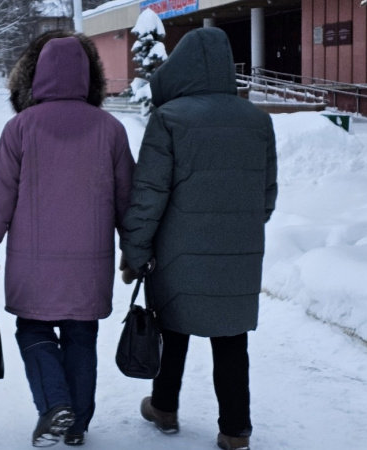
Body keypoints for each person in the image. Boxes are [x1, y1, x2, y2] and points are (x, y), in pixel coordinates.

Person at [0, 30, 135, 447]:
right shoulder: (111, 129)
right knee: (82, 337)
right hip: (91, 265)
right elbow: (128, 201)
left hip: (33, 264)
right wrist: (133, 252)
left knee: (33, 330)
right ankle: (76, 423)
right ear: (88, 77)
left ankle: (54, 405)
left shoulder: (20, 128)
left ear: (37, 76)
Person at [119, 27, 278, 450]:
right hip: (238, 255)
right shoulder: (258, 121)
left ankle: (164, 407)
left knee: (172, 326)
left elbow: (148, 195)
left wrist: (135, 251)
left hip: (178, 252)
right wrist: (241, 229)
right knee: (231, 340)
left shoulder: (169, 119)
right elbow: (266, 196)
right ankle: (235, 431)